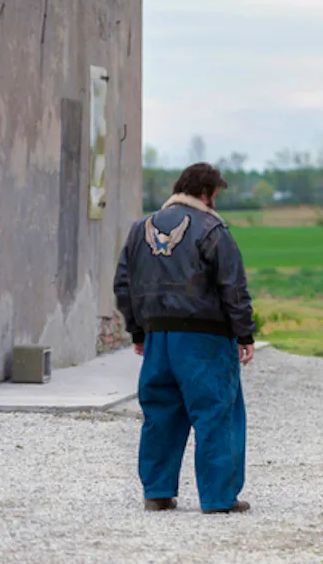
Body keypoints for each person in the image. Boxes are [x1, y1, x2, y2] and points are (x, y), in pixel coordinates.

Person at [113, 162, 256, 514]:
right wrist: (244, 334)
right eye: (215, 196)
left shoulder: (139, 229)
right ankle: (219, 499)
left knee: (160, 414)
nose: (215, 204)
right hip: (204, 341)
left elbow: (123, 284)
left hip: (158, 338)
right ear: (205, 192)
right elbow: (232, 287)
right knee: (215, 413)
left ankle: (158, 493)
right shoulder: (213, 229)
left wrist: (138, 330)